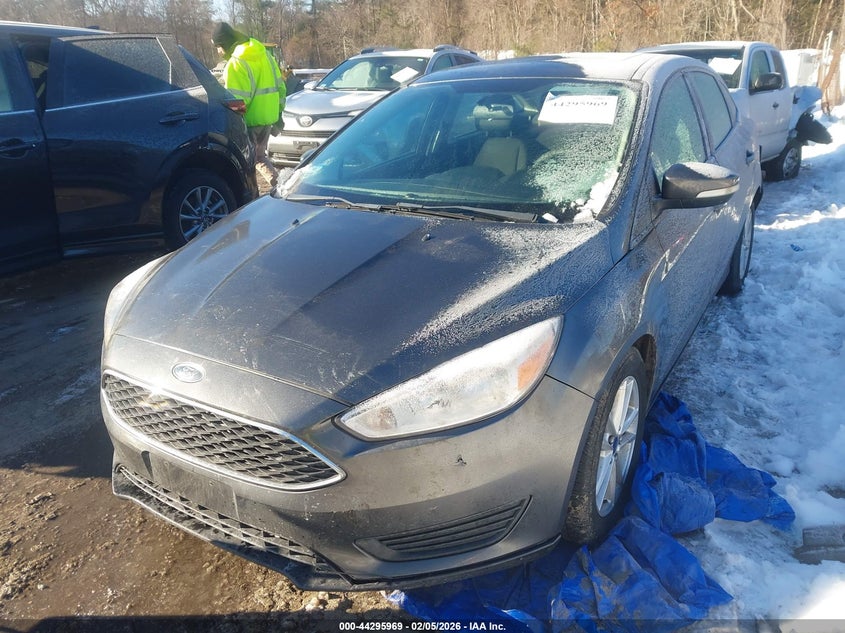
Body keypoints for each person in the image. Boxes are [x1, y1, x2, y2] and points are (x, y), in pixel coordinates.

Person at [212, 22, 286, 188]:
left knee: (246, 164)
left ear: (225, 44)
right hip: (268, 118)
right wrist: (279, 113)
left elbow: (236, 101)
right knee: (259, 157)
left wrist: (232, 125)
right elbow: (280, 87)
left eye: (218, 46)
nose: (218, 52)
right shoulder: (265, 55)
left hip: (249, 122)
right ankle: (280, 185)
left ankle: (252, 201)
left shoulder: (236, 63)